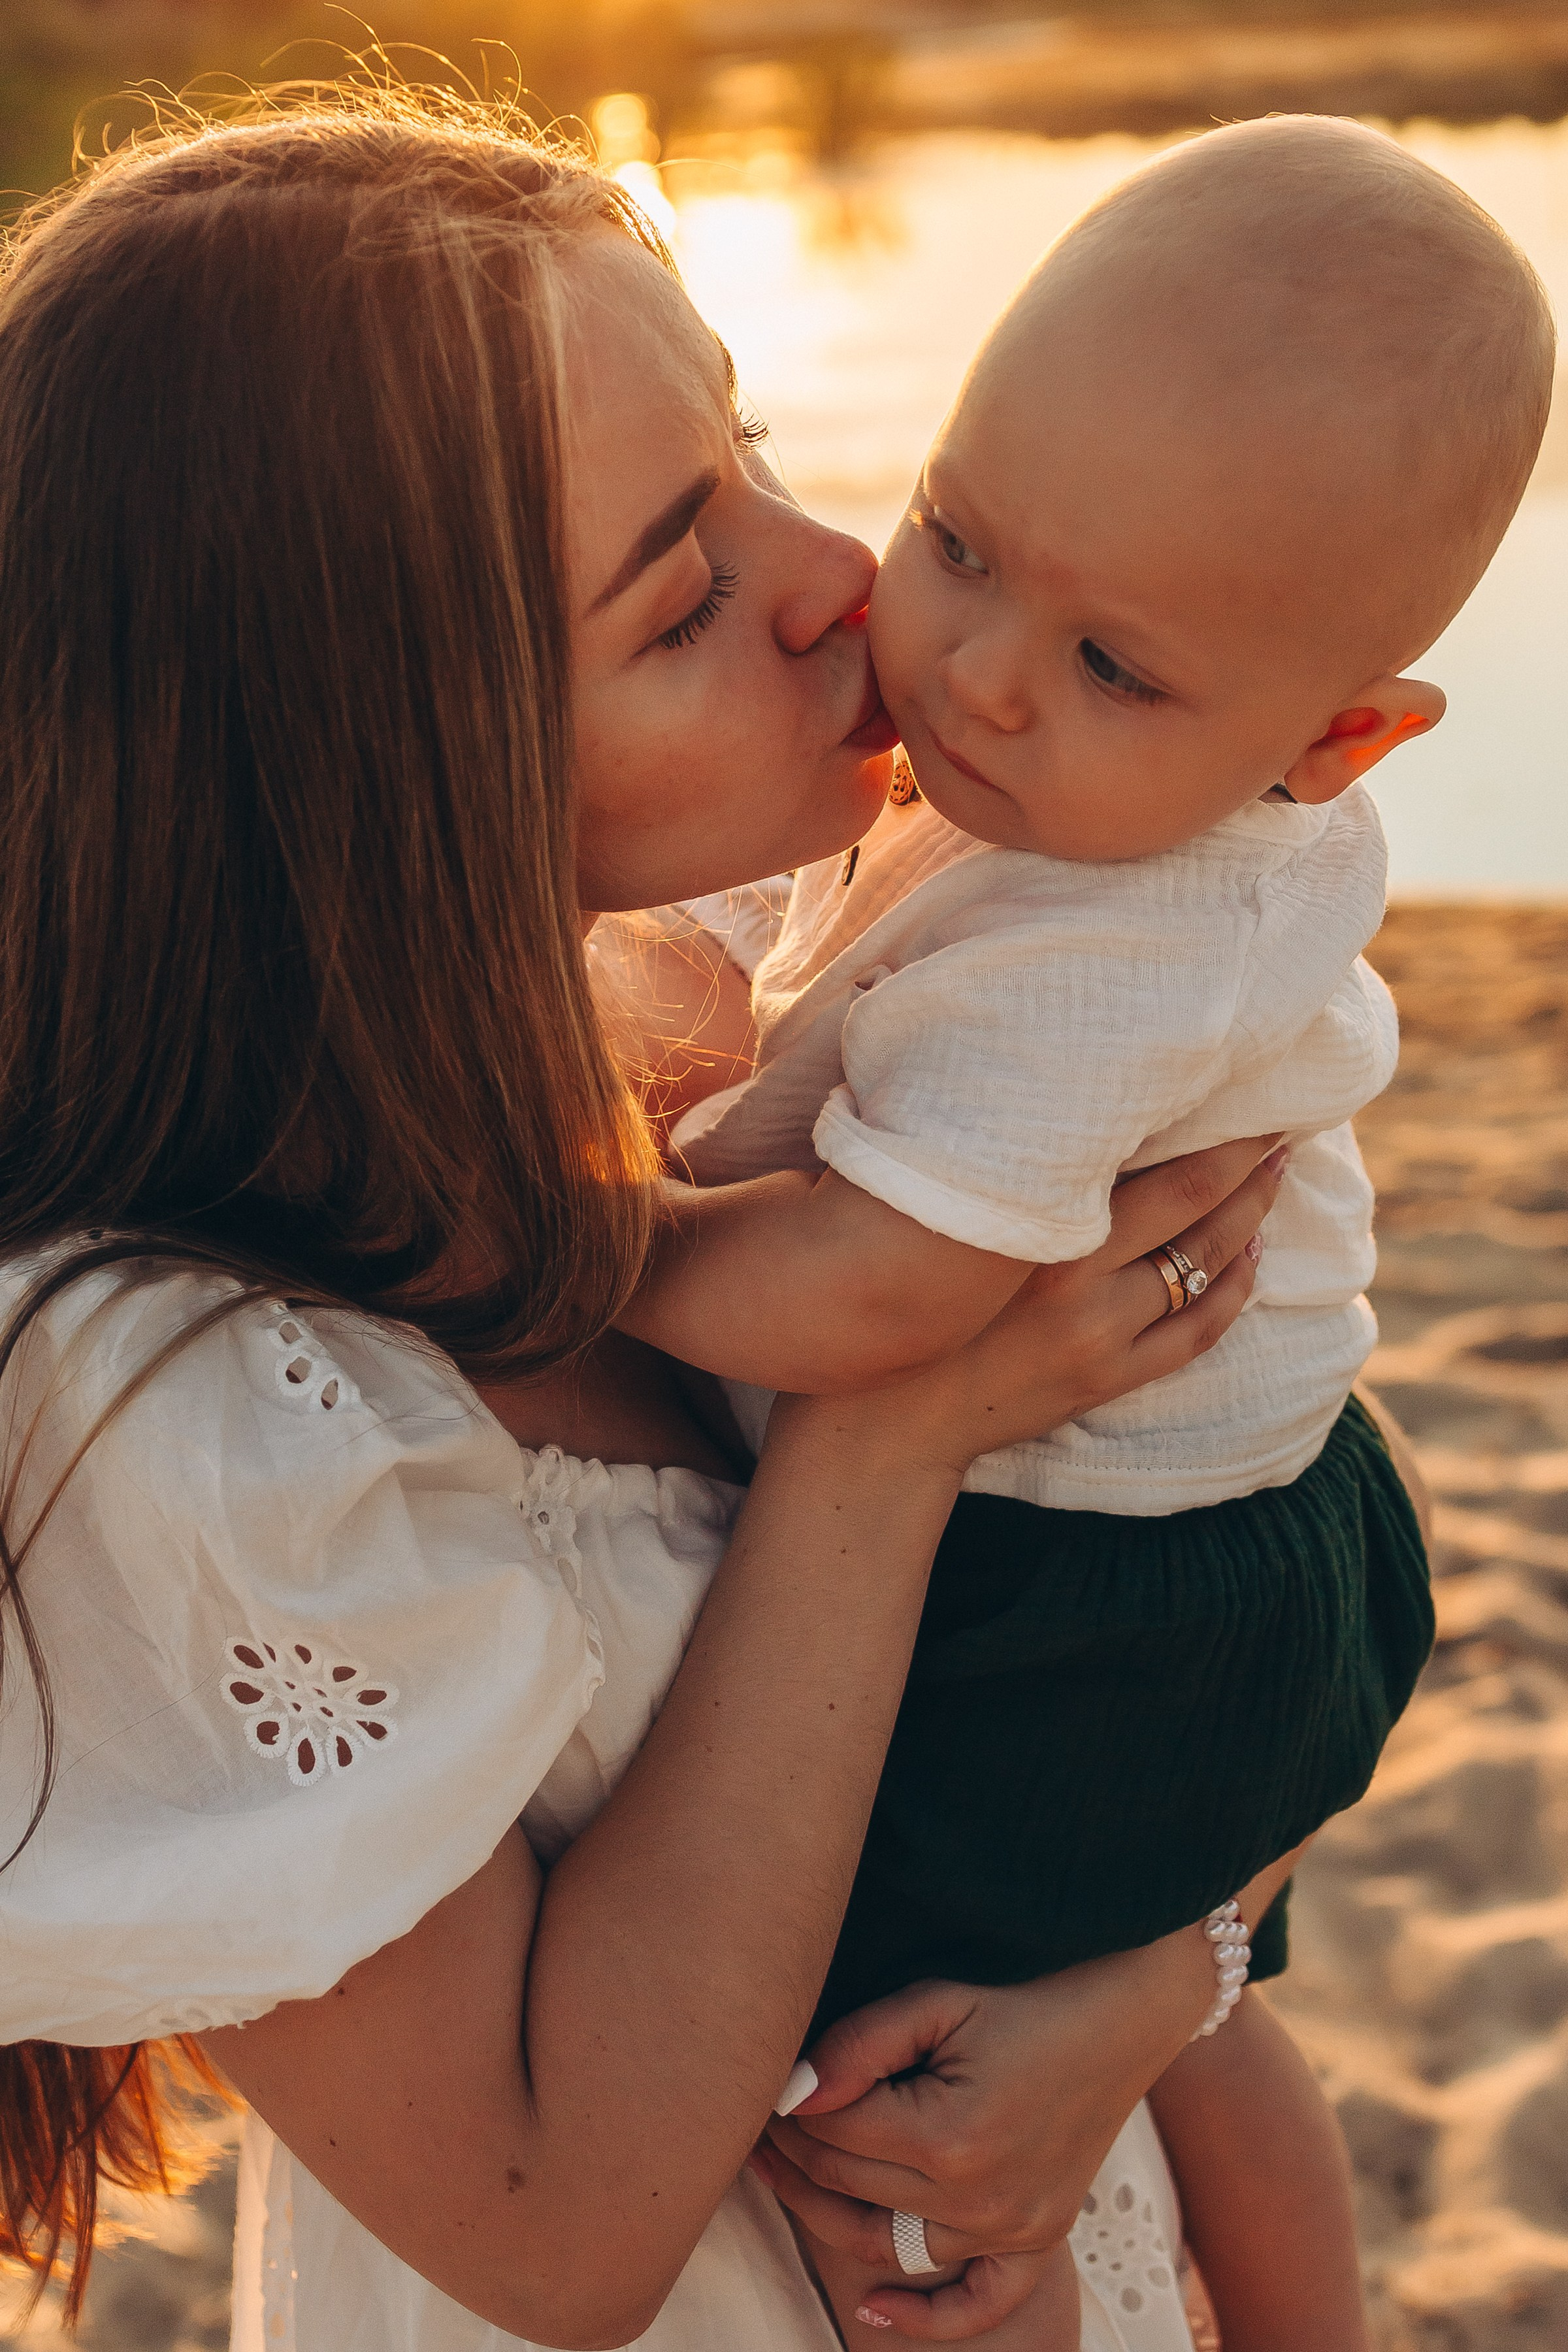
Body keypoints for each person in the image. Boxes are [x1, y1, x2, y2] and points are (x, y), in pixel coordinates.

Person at [0, 93, 1302, 2352]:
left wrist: (1137, 2000)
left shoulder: (726, 1057)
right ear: (373, 761)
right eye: (688, 590)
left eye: (764, 446)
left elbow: (1232, 1624)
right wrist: (884, 1437)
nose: (844, 580)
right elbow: (559, 2222)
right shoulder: (171, 1404)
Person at [623, 117, 1554, 2347]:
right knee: (1204, 2012)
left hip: (1092, 1592)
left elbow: (893, 1292)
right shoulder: (1096, 805)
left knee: (899, 2067)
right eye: (954, 535)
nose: (985, 679)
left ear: (1336, 741)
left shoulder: (1116, 937)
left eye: (1114, 665)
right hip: (1286, 1509)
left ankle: (1011, 2289)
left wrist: (597, 1244)